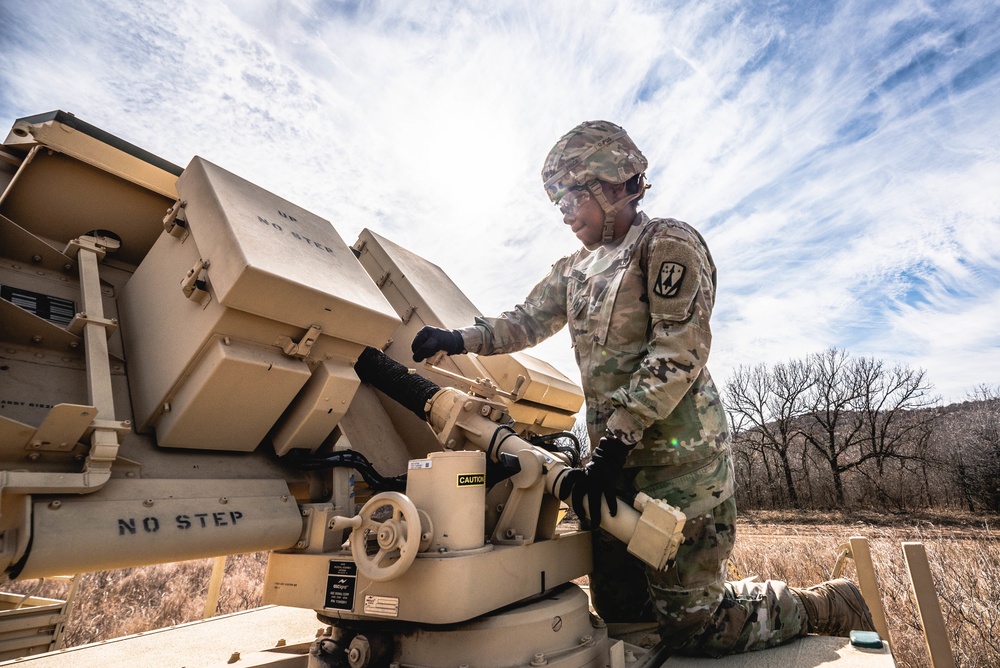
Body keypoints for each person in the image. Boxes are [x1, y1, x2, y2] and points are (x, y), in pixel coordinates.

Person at [411, 120, 875, 656]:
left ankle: (824, 603)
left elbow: (678, 352)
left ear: (612, 186)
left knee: (692, 626)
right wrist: (459, 338)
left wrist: (617, 439)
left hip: (681, 469)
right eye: (556, 198)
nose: (562, 210)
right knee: (624, 614)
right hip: (616, 467)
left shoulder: (667, 244)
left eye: (571, 193)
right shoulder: (575, 270)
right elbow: (524, 321)